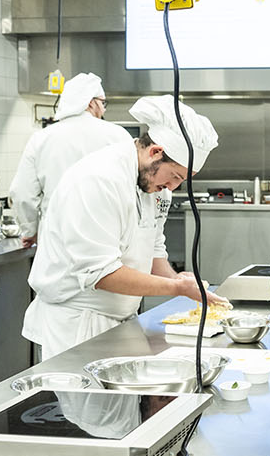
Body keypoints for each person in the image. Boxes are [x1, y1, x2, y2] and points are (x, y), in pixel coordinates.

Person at [21, 94, 223, 358]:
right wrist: (176, 289)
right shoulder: (98, 180)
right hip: (79, 324)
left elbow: (153, 247)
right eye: (174, 176)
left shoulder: (156, 188)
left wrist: (175, 279)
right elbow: (101, 273)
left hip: (123, 319)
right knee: (88, 401)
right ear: (155, 152)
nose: (173, 187)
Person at [9, 72, 130, 247]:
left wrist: (30, 230)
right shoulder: (118, 135)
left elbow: (22, 193)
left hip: (56, 234)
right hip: (106, 232)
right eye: (103, 103)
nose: (103, 110)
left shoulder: (41, 138)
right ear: (91, 102)